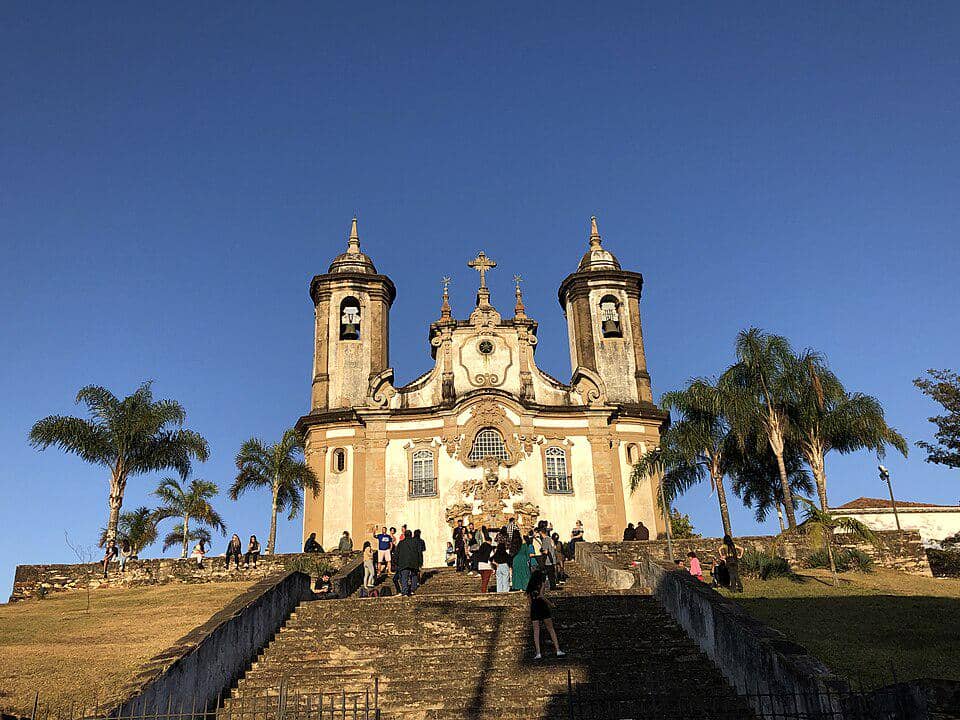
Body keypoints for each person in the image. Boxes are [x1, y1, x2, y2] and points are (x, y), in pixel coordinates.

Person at [526, 569, 565, 660]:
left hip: (534, 607)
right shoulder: (542, 583)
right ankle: (558, 650)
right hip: (542, 606)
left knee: (536, 632)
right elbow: (541, 596)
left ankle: (538, 653)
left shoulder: (529, 587)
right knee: (551, 629)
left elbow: (530, 601)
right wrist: (551, 604)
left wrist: (532, 609)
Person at [395, 530, 422, 596]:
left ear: (404, 535)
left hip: (403, 563)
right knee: (414, 576)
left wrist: (397, 562)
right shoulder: (416, 542)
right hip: (414, 562)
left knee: (404, 577)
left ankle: (405, 591)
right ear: (411, 535)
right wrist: (420, 562)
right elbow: (419, 552)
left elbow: (396, 553)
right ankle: (413, 589)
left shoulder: (401, 543)